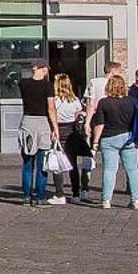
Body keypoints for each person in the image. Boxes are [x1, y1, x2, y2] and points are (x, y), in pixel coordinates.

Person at [87, 74, 138, 210]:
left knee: (110, 170)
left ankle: (106, 200)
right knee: (133, 169)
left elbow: (99, 124)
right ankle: (135, 200)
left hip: (109, 138)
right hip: (129, 138)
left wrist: (95, 142)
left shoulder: (104, 102)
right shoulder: (132, 102)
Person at [16, 60, 60, 207]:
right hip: (42, 123)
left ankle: (26, 196)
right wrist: (55, 128)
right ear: (42, 69)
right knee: (42, 163)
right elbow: (51, 108)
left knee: (28, 163)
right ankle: (40, 197)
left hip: (27, 121)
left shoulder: (23, 83)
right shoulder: (48, 86)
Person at [54, 75, 91, 203]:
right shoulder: (75, 100)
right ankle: (76, 193)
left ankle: (60, 194)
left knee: (58, 164)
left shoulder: (54, 100)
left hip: (58, 130)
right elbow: (77, 116)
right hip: (72, 131)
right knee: (73, 164)